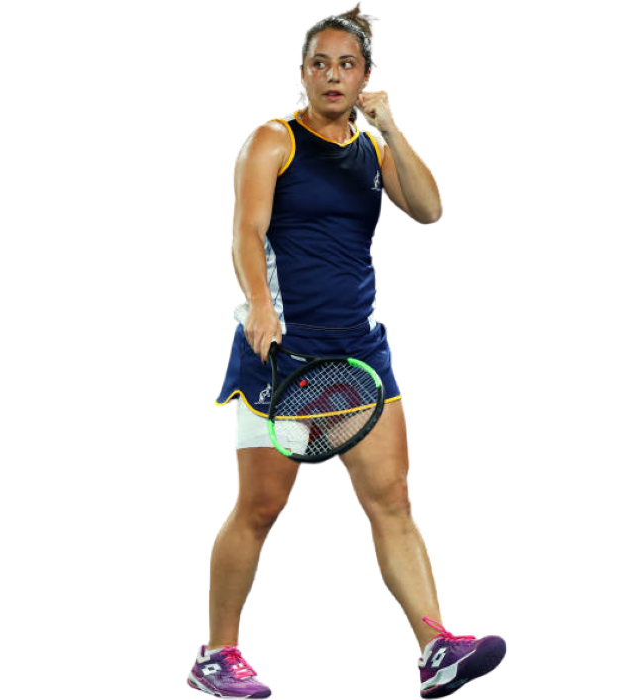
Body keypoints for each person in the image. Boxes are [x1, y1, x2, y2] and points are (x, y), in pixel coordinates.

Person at [188, 7, 505, 699]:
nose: (333, 76)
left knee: (392, 501)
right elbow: (246, 233)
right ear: (301, 75)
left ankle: (436, 648)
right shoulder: (272, 140)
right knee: (260, 508)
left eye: (347, 65)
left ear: (366, 78)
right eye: (320, 64)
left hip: (360, 354)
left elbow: (430, 211)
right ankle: (216, 654)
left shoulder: (376, 149)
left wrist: (392, 128)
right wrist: (260, 305)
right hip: (281, 356)